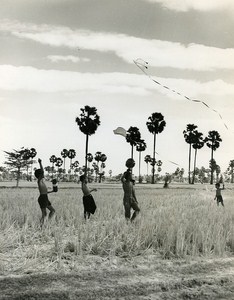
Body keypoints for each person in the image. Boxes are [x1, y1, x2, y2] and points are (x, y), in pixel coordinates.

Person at [35, 159, 55, 225]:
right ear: (40, 175)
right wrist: (40, 163)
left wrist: (52, 191)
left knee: (52, 211)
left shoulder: (42, 182)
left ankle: (47, 223)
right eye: (42, 174)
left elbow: (44, 192)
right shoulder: (39, 181)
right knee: (44, 214)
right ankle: (41, 227)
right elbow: (42, 171)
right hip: (42, 198)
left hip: (45, 197)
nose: (43, 174)